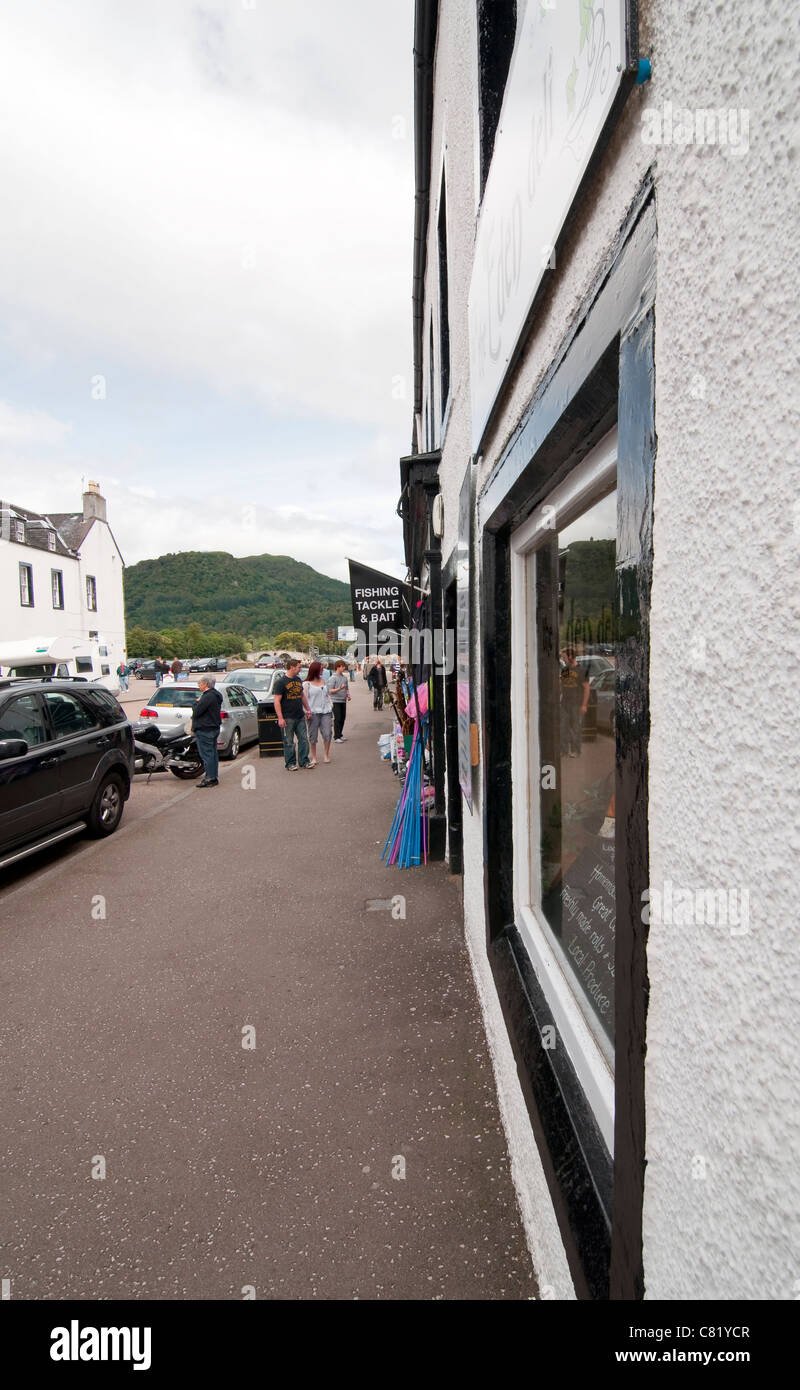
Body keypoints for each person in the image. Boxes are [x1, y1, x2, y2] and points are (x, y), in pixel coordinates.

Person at [274, 657, 314, 771]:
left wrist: (308, 709)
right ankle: (290, 763)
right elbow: (276, 701)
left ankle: (304, 761)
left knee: (304, 739)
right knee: (289, 742)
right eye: (299, 667)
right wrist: (280, 718)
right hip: (287, 717)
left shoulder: (297, 680)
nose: (300, 669)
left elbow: (302, 696)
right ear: (292, 667)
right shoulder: (280, 682)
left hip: (299, 715)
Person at [559, 647, 591, 758]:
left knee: (576, 728)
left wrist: (584, 705)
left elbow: (587, 689)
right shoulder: (564, 670)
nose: (563, 660)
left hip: (576, 704)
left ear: (571, 657)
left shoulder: (582, 671)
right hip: (564, 703)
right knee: (563, 727)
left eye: (564, 657)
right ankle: (564, 750)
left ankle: (576, 750)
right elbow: (562, 686)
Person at [193, 674, 223, 787]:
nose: (198, 686)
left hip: (205, 728)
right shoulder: (216, 695)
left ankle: (210, 778)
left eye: (200, 683)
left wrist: (196, 702)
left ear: (205, 684)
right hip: (213, 727)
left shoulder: (207, 696)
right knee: (213, 754)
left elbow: (196, 712)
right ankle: (213, 776)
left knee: (207, 755)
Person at [303, 660, 333, 764]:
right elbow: (304, 699)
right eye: (321, 669)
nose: (322, 670)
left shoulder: (323, 681)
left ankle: (326, 754)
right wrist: (307, 711)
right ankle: (314, 757)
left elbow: (327, 694)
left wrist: (330, 704)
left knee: (328, 733)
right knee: (313, 736)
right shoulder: (306, 684)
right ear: (315, 670)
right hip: (313, 712)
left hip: (326, 711)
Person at [327, 659, 351, 743]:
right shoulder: (333, 678)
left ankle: (340, 734)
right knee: (337, 718)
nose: (344, 668)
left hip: (343, 700)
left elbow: (347, 688)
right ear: (338, 667)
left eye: (344, 666)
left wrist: (348, 695)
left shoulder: (344, 678)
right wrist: (339, 688)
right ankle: (336, 736)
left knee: (342, 718)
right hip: (335, 701)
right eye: (342, 666)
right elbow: (330, 690)